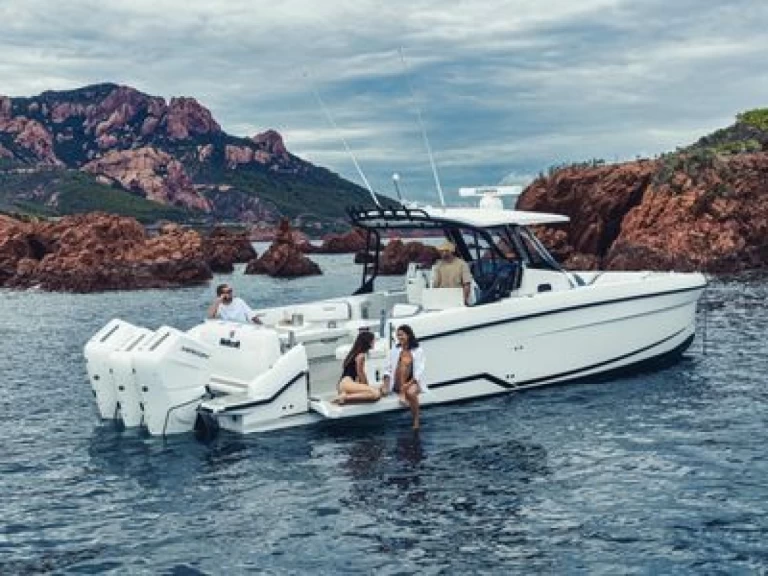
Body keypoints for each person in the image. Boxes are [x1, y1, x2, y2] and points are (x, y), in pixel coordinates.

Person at [381, 324, 426, 429]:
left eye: (401, 335)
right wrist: (386, 384)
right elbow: (388, 368)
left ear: (408, 335)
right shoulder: (395, 350)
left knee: (411, 393)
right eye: (398, 335)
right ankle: (401, 392)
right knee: (403, 364)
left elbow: (419, 370)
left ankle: (416, 420)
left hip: (413, 381)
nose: (399, 337)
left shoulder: (418, 350)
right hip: (397, 381)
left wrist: (408, 384)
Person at [332, 330, 381, 404]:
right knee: (376, 394)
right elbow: (360, 373)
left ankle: (344, 396)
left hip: (343, 385)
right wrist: (368, 387)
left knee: (373, 391)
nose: (374, 342)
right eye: (373, 340)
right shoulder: (361, 356)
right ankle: (345, 397)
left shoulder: (354, 353)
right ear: (368, 342)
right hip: (347, 383)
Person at [432, 240, 473, 305]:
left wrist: (463, 300)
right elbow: (436, 284)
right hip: (442, 297)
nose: (443, 253)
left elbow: (467, 285)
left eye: (446, 251)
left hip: (457, 296)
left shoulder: (462, 264)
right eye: (441, 251)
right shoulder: (438, 265)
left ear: (451, 251)